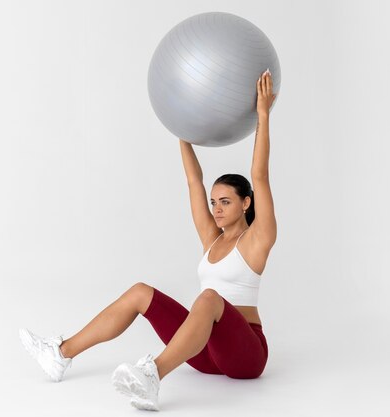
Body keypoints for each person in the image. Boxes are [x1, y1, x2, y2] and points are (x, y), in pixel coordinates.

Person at [19, 69, 278, 411]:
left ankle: (152, 376)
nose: (215, 209)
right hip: (205, 354)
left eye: (225, 202)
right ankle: (60, 354)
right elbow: (192, 182)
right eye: (214, 202)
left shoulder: (259, 239)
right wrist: (180, 125)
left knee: (209, 298)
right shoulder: (211, 240)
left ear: (246, 203)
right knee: (142, 291)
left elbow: (259, 176)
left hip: (245, 357)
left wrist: (262, 114)